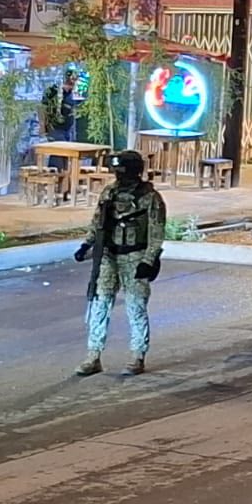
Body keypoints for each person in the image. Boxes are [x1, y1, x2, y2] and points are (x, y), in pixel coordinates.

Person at [73, 150, 165, 376]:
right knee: (100, 304)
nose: (119, 176)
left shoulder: (150, 198)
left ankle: (137, 356)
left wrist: (148, 260)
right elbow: (98, 223)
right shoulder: (110, 193)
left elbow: (156, 234)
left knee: (136, 306)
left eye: (122, 171)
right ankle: (93, 356)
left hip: (135, 257)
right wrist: (87, 245)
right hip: (108, 257)